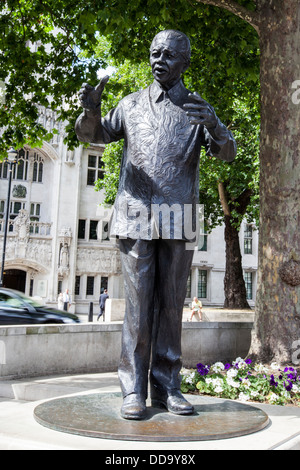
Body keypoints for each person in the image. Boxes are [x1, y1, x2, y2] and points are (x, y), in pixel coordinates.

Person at [75, 29, 236, 420]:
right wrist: (91, 111)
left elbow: (227, 153)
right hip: (135, 216)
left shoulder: (199, 110)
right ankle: (133, 389)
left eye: (167, 54)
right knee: (137, 307)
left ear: (185, 62)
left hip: (179, 218)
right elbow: (95, 135)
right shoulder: (129, 104)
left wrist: (215, 126)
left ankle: (167, 387)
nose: (158, 59)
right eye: (154, 53)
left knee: (170, 308)